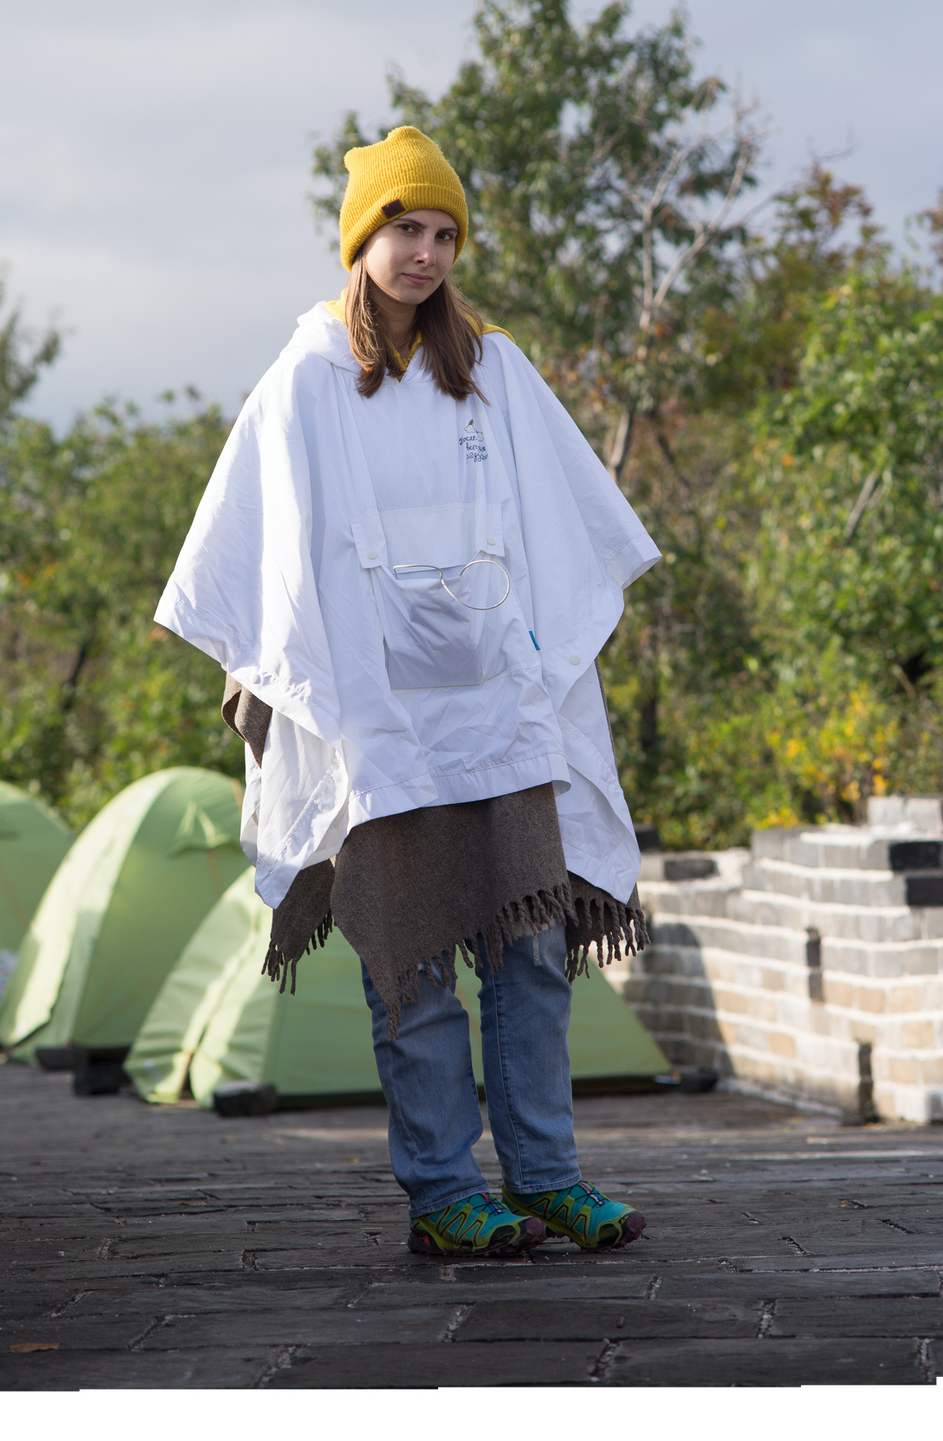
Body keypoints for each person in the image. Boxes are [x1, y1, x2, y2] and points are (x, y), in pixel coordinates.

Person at [155, 126, 661, 1258]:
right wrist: (286, 691)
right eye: (403, 227)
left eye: (443, 233)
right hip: (377, 733)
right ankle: (443, 1193)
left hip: (501, 719)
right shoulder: (304, 386)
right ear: (361, 236)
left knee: (532, 951)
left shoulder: (495, 373)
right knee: (414, 964)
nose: (425, 252)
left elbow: (566, 541)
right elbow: (250, 565)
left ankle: (546, 1176)